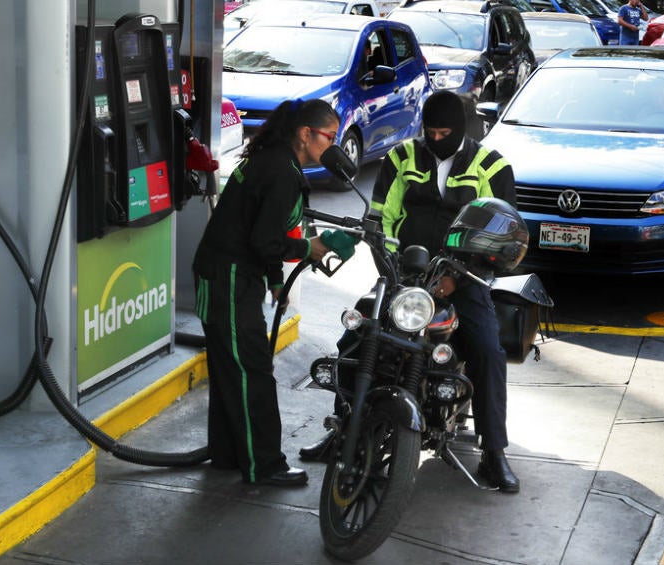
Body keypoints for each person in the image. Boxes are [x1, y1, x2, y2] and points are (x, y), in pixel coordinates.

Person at [300, 91, 521, 493]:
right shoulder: (402, 158)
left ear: (461, 129)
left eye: (444, 132)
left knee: (488, 351)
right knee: (356, 338)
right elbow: (379, 216)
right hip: (406, 275)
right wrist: (388, 264)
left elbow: (501, 235)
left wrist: (459, 275)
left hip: (463, 278)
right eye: (429, 131)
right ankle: (342, 431)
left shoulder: (492, 165)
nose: (436, 139)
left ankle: (494, 451)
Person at [192, 98, 337, 487]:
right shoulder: (281, 172)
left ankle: (228, 455)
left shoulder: (277, 161)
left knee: (231, 369)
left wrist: (275, 278)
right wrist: (309, 248)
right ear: (306, 134)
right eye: (329, 137)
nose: (331, 146)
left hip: (231, 274)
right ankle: (265, 465)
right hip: (228, 278)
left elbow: (260, 227)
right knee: (251, 371)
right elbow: (265, 239)